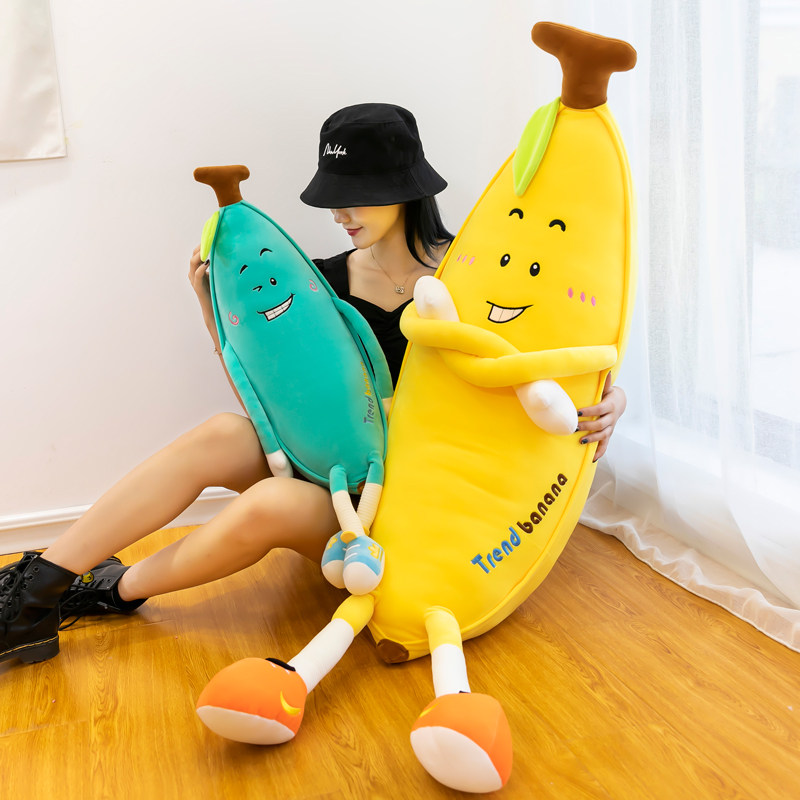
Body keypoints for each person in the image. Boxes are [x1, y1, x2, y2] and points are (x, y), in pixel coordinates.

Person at [0, 103, 627, 666]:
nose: (339, 213)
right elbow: (274, 405)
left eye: (356, 196)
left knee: (272, 503)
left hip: (412, 509)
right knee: (224, 432)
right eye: (334, 196)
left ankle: (110, 590)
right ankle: (40, 586)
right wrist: (211, 310)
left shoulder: (473, 278)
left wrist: (614, 400)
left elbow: (541, 357)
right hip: (338, 476)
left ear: (404, 190)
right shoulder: (319, 283)